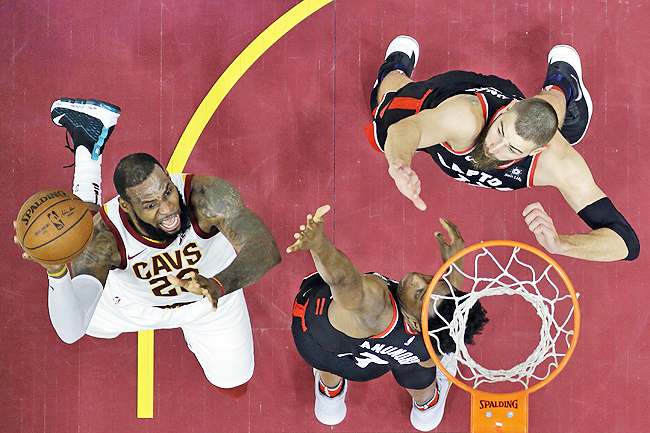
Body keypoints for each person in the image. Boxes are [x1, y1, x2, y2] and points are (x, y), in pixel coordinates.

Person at [15, 98, 282, 398]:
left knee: (235, 385)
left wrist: (220, 285)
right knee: (85, 297)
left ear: (169, 179)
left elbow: (264, 247)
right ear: (126, 207)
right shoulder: (105, 239)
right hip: (129, 307)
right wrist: (55, 271)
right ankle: (87, 152)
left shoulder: (207, 197)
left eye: (168, 191)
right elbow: (70, 330)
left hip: (211, 304)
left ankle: (87, 141)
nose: (169, 209)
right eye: (151, 205)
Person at [365, 36, 639, 262]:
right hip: (448, 96)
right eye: (500, 131)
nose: (494, 147)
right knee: (383, 114)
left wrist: (561, 244)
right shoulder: (465, 120)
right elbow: (403, 131)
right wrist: (399, 163)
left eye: (511, 149)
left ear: (534, 152)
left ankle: (562, 83)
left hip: (531, 125)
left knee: (554, 118)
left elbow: (626, 243)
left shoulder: (557, 162)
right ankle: (394, 69)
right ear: (508, 108)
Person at [287, 205, 488, 431]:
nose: (417, 280)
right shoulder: (431, 340)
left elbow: (344, 280)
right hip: (371, 365)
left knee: (330, 348)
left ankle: (330, 394)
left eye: (420, 293)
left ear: (415, 322)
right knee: (420, 364)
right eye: (432, 280)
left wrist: (320, 245)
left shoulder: (376, 303)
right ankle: (427, 407)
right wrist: (454, 267)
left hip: (314, 342)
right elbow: (443, 312)